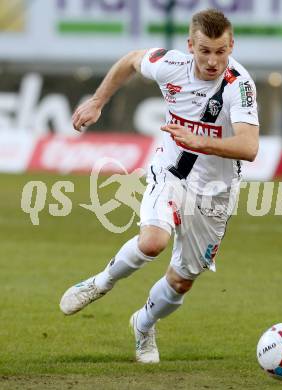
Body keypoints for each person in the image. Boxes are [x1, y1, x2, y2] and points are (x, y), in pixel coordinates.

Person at [59, 8, 259, 363]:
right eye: (204, 51)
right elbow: (130, 61)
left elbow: (249, 147)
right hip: (169, 174)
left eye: (221, 51)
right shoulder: (171, 66)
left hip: (215, 192)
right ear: (190, 46)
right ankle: (100, 282)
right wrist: (97, 101)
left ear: (231, 46)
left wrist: (198, 141)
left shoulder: (239, 86)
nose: (213, 60)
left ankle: (144, 324)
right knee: (153, 241)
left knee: (182, 281)